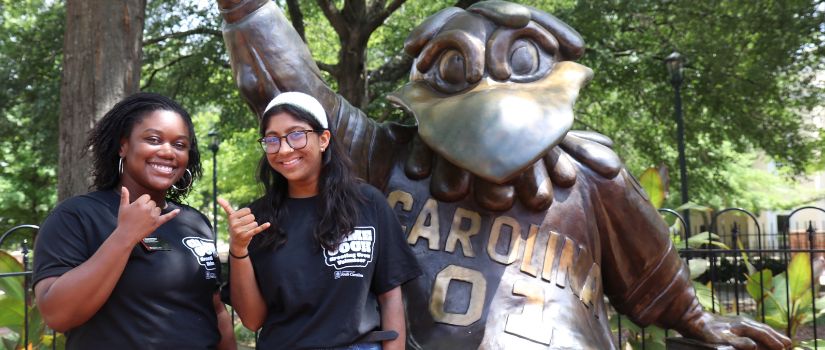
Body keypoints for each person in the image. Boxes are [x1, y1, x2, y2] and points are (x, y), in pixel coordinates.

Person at [216, 0, 792, 349]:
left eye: (517, 59)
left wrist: (695, 318)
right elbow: (294, 95)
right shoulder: (389, 156)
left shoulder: (590, 175)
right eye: (456, 63)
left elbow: (652, 280)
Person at [218, 91, 422, 350]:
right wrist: (238, 250)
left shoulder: (368, 203)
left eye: (296, 134)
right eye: (272, 139)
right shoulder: (258, 218)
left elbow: (390, 295)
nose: (284, 149)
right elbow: (252, 320)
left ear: (323, 139)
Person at [32, 92, 236, 349]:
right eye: (153, 139)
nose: (167, 151)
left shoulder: (195, 222)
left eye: (180, 144)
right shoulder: (76, 216)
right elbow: (57, 315)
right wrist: (124, 237)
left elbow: (215, 309)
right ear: (123, 146)